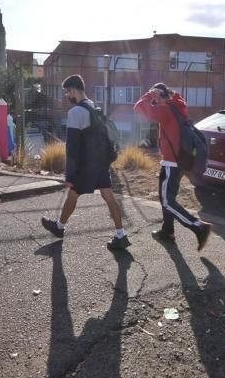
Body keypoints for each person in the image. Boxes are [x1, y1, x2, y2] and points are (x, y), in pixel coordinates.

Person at [40, 74, 130, 250]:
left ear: (74, 90)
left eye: (68, 92)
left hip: (85, 167)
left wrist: (70, 174)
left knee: (73, 193)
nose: (67, 96)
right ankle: (121, 235)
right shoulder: (94, 108)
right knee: (108, 196)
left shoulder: (75, 112)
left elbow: (72, 147)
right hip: (100, 163)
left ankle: (59, 227)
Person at [134, 83, 212, 251]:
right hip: (179, 162)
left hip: (172, 163)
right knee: (166, 198)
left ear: (160, 95)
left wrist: (149, 94)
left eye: (155, 97)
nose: (153, 101)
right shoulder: (177, 106)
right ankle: (167, 231)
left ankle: (198, 226)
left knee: (168, 201)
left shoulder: (166, 109)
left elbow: (139, 107)